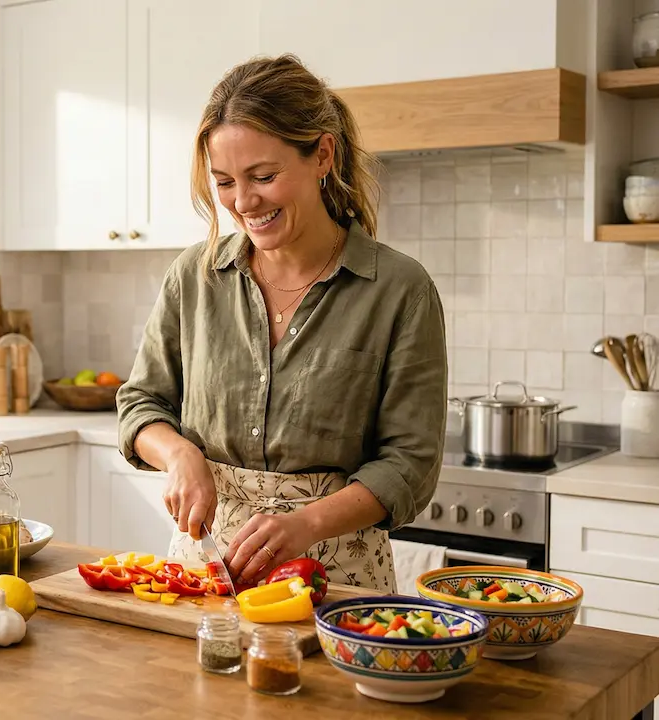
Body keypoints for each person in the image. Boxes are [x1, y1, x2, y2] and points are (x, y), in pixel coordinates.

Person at [115, 54, 447, 592]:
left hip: (337, 575)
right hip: (204, 564)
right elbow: (140, 404)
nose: (243, 202)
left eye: (263, 176)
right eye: (224, 182)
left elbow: (410, 463)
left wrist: (306, 524)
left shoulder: (400, 290)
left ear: (322, 154)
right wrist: (178, 454)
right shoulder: (194, 278)